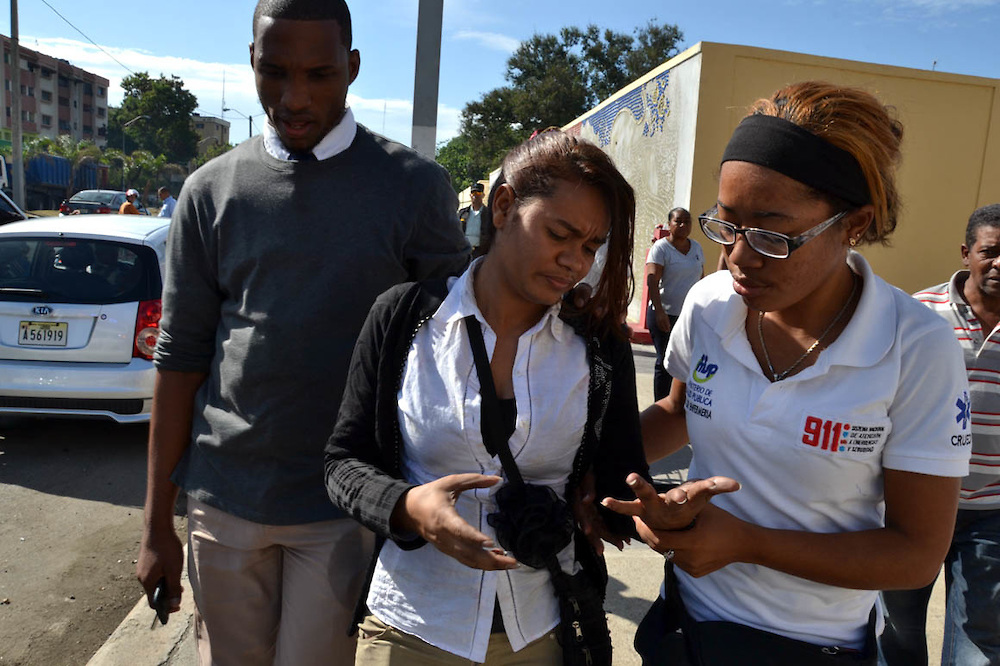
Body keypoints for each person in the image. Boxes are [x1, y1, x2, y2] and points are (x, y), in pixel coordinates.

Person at [134, 1, 470, 664]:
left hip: (343, 508)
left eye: (319, 74)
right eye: (276, 72)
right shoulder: (210, 192)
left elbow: (459, 343)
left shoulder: (413, 189)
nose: (295, 97)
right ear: (252, 62)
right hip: (223, 502)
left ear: (351, 69)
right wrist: (155, 527)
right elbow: (180, 361)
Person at [325, 131, 729, 665]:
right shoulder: (405, 319)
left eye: (590, 246)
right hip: (411, 624)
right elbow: (342, 463)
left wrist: (649, 513)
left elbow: (618, 478)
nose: (574, 262)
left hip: (544, 627)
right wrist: (407, 507)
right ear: (504, 205)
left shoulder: (596, 344)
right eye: (559, 234)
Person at [603, 81, 972, 665]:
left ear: (855, 224)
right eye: (726, 226)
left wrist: (747, 544)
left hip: (810, 645)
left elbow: (916, 555)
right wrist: (605, 481)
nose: (739, 258)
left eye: (774, 236)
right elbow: (677, 413)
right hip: (684, 623)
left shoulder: (916, 348)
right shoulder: (710, 303)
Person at [881, 203, 1000, 666]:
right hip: (910, 504)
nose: (999, 264)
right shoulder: (920, 315)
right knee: (897, 632)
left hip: (990, 511)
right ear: (966, 252)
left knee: (979, 645)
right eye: (990, 251)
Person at [645, 207, 704, 400]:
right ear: (669, 224)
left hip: (688, 315)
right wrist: (660, 312)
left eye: (687, 221)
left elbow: (700, 278)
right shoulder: (661, 248)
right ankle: (660, 405)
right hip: (665, 313)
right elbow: (652, 281)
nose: (683, 225)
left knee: (684, 361)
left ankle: (677, 402)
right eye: (678, 221)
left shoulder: (696, 248)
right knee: (665, 361)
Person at [459, 181, 490, 257]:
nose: (475, 195)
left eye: (478, 193)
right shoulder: (463, 213)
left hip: (480, 252)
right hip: (464, 251)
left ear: (483, 195)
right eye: (473, 193)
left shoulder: (488, 214)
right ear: (470, 195)